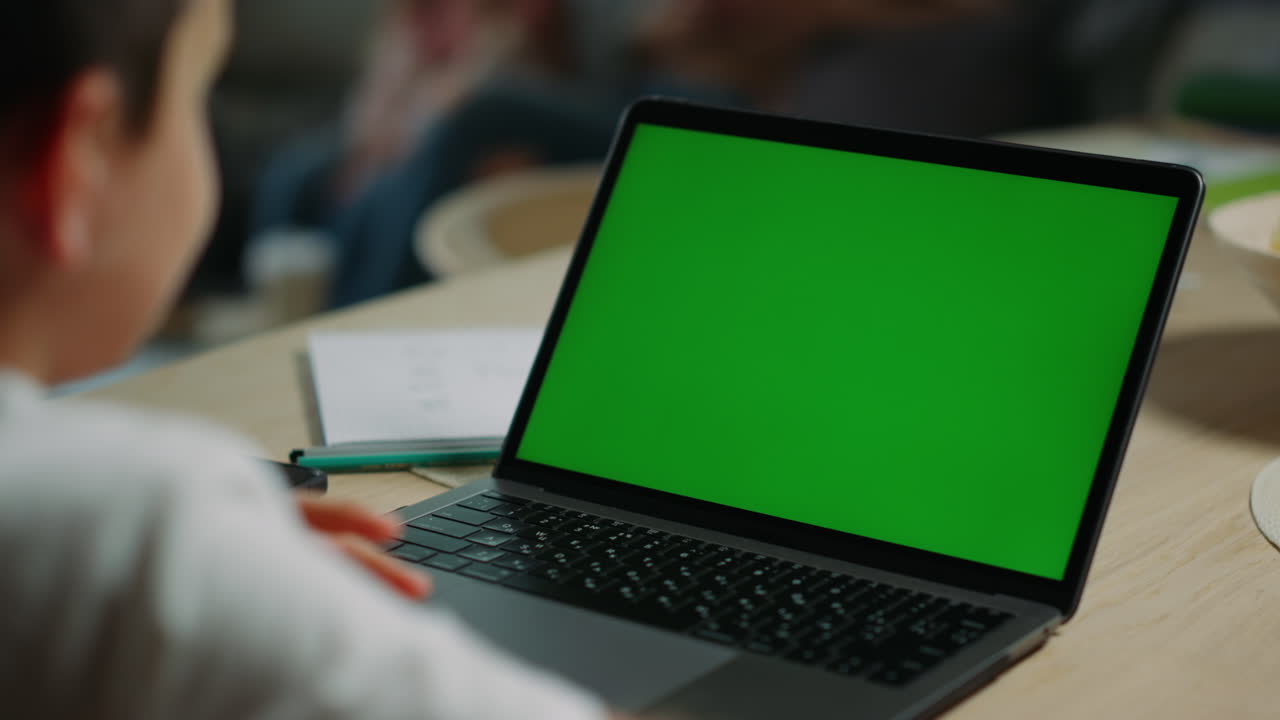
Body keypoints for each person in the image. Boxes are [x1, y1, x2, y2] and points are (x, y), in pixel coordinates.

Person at [0, 1, 624, 717]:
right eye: (198, 94)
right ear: (76, 160)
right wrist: (212, 571)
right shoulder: (130, 535)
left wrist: (253, 585)